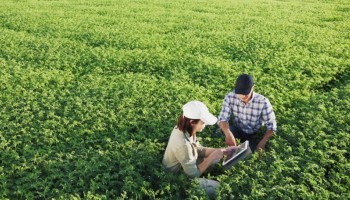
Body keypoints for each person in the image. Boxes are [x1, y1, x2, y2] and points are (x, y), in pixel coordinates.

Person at [162, 100, 237, 198]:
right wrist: (211, 157)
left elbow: (198, 149)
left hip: (185, 165)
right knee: (219, 187)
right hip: (177, 179)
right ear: (192, 122)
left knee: (216, 158)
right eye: (203, 122)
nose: (205, 125)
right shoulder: (182, 144)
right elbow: (192, 175)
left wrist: (222, 150)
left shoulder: (186, 128)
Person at [218, 74, 277, 151]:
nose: (242, 96)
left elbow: (271, 125)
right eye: (240, 93)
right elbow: (222, 118)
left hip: (253, 134)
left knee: (252, 150)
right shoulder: (230, 97)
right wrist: (228, 134)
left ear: (253, 87)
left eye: (245, 93)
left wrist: (263, 142)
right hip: (237, 130)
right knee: (219, 132)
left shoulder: (263, 102)